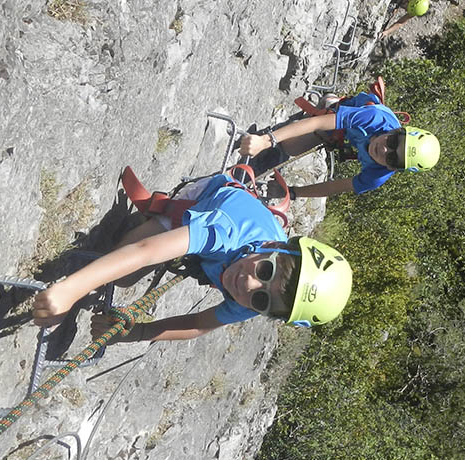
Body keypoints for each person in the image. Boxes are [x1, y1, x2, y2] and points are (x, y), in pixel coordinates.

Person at [30, 172, 353, 340]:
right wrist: (71, 290)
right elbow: (145, 251)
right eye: (266, 271)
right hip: (205, 199)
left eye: (260, 301)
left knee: (123, 277)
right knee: (124, 268)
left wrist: (138, 333)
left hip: (220, 252)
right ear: (274, 248)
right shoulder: (226, 232)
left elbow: (200, 324)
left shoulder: (257, 302)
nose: (249, 285)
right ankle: (162, 216)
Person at [234, 90, 440, 198]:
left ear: (393, 168)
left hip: (349, 135)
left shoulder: (378, 176)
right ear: (396, 130)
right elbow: (316, 122)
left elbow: (337, 186)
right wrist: (266, 140)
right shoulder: (374, 118)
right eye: (394, 140)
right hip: (345, 116)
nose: (385, 149)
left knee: (295, 146)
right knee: (297, 141)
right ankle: (332, 101)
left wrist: (293, 192)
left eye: (393, 157)